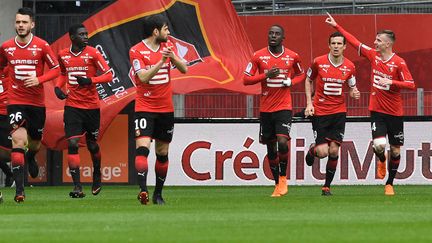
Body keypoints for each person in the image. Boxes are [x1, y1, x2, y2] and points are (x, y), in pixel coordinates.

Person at [325, 13, 415, 195]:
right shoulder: (373, 56)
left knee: (396, 150)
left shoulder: (399, 63)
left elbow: (411, 84)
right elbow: (354, 42)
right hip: (377, 111)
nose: (375, 43)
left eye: (378, 40)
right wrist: (337, 26)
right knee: (379, 146)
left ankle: (389, 184)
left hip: (395, 112)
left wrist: (392, 83)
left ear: (388, 44)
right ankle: (381, 159)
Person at [0, 7, 60, 202]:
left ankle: (32, 156)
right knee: (18, 141)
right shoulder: (6, 47)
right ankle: (19, 190)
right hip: (15, 102)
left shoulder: (42, 46)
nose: (20, 25)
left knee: (34, 143)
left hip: (37, 104)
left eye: (24, 22)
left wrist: (40, 79)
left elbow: (57, 70)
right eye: (18, 22)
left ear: (32, 24)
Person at [129, 15, 187, 205]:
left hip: (165, 109)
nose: (168, 32)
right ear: (156, 32)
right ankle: (143, 190)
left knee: (162, 153)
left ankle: (158, 194)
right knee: (143, 149)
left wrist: (172, 58)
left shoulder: (168, 47)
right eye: (165, 29)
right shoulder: (136, 51)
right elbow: (143, 77)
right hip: (145, 107)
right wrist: (161, 62)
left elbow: (184, 69)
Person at [243, 24, 305, 197]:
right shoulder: (258, 56)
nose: (273, 36)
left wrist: (291, 82)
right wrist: (266, 75)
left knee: (283, 142)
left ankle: (284, 178)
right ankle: (277, 183)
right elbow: (246, 79)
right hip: (266, 109)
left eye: (277, 34)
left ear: (283, 37)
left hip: (284, 107)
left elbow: (301, 74)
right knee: (271, 148)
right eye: (270, 33)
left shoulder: (292, 56)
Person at [54, 24, 113, 198]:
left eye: (86, 34)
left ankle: (96, 173)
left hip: (92, 107)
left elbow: (109, 74)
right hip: (72, 106)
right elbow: (62, 73)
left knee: (92, 145)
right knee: (72, 144)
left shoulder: (94, 53)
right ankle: (77, 187)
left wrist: (90, 80)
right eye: (82, 34)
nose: (86, 36)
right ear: (72, 37)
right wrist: (58, 87)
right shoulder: (63, 55)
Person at [304, 32, 360, 196]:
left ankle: (326, 187)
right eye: (333, 43)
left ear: (344, 46)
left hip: (339, 113)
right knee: (322, 152)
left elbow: (352, 87)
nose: (336, 46)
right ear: (329, 45)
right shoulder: (318, 62)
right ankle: (312, 151)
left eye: (339, 43)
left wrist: (354, 93)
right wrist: (309, 103)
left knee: (334, 150)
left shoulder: (350, 66)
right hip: (320, 112)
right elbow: (308, 80)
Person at [0, 68, 13, 187]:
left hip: (8, 113)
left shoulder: (10, 67)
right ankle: (9, 174)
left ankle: (11, 174)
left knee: (8, 155)